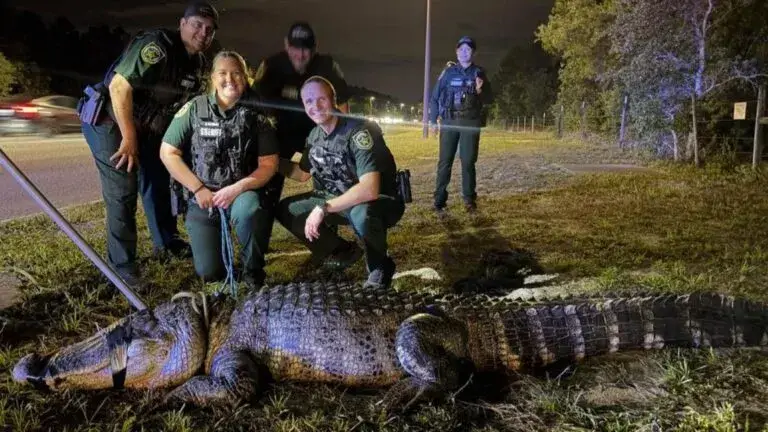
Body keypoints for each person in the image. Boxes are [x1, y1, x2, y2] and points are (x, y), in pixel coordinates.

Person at [79, 1, 218, 287]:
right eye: (197, 25)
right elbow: (119, 87)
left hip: (147, 127)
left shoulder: (198, 63)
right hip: (111, 120)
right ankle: (122, 266)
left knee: (159, 179)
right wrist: (129, 139)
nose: (203, 33)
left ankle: (167, 243)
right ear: (182, 24)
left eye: (209, 29)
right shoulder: (157, 46)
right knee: (123, 190)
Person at [159, 51, 279, 288]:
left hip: (240, 194)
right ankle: (220, 258)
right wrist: (198, 188)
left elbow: (269, 164)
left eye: (236, 74)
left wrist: (238, 189)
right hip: (203, 198)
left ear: (246, 78)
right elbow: (167, 153)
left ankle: (252, 270)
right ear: (212, 78)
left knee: (250, 211)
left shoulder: (258, 114)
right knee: (209, 272)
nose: (230, 80)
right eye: (223, 73)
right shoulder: (194, 109)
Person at [276, 76, 404, 289]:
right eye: (308, 101)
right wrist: (271, 162)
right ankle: (340, 250)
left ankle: (380, 266)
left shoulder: (360, 131)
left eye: (321, 99)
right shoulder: (314, 136)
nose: (315, 106)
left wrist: (323, 208)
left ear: (332, 99)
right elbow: (302, 173)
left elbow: (370, 189)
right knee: (286, 210)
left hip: (378, 202)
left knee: (360, 213)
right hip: (337, 201)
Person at [250, 21, 350, 244]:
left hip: (316, 134)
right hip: (280, 134)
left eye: (306, 49)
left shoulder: (328, 66)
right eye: (296, 48)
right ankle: (261, 238)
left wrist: (340, 139)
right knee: (268, 187)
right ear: (286, 45)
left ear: (316, 48)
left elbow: (342, 104)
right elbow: (255, 106)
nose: (301, 55)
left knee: (326, 185)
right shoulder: (271, 66)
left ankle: (328, 243)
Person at [429, 36, 494, 215]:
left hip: (470, 123)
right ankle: (439, 201)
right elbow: (434, 98)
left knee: (468, 162)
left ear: (473, 52)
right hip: (449, 122)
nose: (465, 52)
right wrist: (433, 120)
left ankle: (469, 200)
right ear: (456, 52)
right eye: (462, 49)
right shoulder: (447, 73)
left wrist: (480, 90)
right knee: (444, 163)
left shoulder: (479, 73)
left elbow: (489, 99)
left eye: (468, 49)